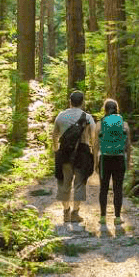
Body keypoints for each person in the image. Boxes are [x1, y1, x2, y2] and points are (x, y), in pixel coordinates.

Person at [52, 90, 95, 223]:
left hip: (65, 152)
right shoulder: (87, 117)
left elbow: (54, 135)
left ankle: (66, 212)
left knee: (64, 182)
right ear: (82, 102)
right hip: (82, 152)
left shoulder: (61, 116)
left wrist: (56, 150)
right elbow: (93, 137)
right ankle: (75, 213)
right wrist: (92, 150)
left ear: (70, 101)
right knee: (80, 182)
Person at [96, 98, 130, 224]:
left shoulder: (100, 124)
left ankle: (103, 217)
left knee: (103, 188)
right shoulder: (124, 124)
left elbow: (95, 144)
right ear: (117, 109)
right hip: (120, 158)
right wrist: (129, 161)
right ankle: (117, 217)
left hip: (104, 159)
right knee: (118, 188)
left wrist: (95, 161)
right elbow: (128, 145)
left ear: (105, 109)